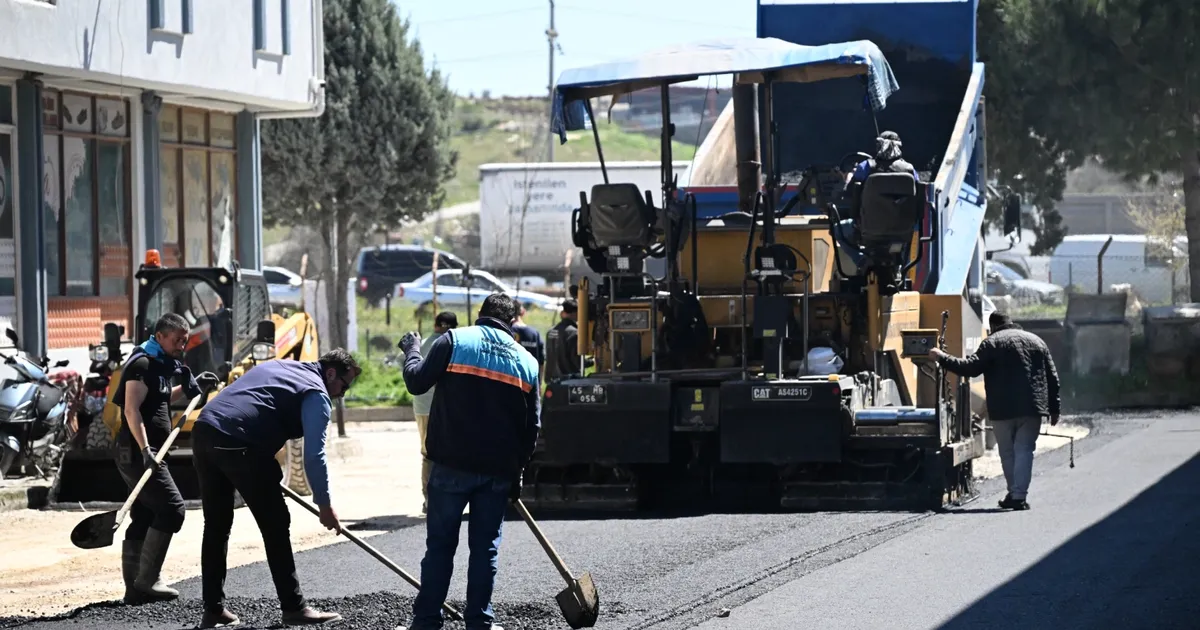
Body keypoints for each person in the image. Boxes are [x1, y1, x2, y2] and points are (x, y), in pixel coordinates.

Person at [396, 293, 541, 630]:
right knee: (485, 551)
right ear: (512, 321)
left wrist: (412, 350)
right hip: (496, 474)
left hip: (450, 466)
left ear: (480, 314)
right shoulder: (527, 362)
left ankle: (427, 621)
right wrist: (517, 472)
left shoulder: (454, 341)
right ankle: (479, 623)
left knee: (440, 547)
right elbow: (531, 427)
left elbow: (417, 382)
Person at [190, 349, 361, 628]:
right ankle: (294, 608)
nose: (342, 393)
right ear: (331, 373)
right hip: (238, 441)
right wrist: (324, 504)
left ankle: (213, 610)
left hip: (204, 431)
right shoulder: (316, 392)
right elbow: (314, 456)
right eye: (344, 385)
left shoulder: (282, 367)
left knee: (217, 525)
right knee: (276, 523)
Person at [113, 313, 221, 605]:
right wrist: (146, 450)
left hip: (150, 451)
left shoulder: (160, 366)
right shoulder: (141, 364)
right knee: (173, 509)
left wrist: (192, 386)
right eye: (177, 340)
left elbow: (159, 398)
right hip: (138, 452)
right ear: (160, 336)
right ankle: (148, 579)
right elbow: (131, 410)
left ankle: (135, 590)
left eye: (185, 341)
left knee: (145, 514)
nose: (182, 346)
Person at [929, 312, 1061, 511]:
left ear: (992, 327)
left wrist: (942, 358)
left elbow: (970, 368)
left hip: (1002, 409)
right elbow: (1053, 378)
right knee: (1025, 449)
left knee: (1007, 452)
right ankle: (1018, 496)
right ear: (1012, 324)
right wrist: (1054, 409)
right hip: (1032, 408)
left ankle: (1014, 493)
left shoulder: (991, 342)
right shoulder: (1037, 341)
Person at [835, 131, 920, 267]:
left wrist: (849, 177)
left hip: (867, 228)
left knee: (836, 230)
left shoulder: (865, 167)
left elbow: (849, 193)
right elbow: (918, 197)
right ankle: (901, 268)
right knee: (907, 241)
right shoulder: (910, 170)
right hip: (903, 229)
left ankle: (861, 261)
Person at [413, 311, 459, 515]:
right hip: (444, 406)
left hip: (423, 406)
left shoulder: (423, 344)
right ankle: (437, 499)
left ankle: (430, 500)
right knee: (441, 454)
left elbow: (405, 363)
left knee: (428, 453)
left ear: (435, 325)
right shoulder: (453, 344)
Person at [544, 298, 590, 381]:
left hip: (553, 380)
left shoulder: (551, 332)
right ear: (575, 313)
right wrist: (591, 361)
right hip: (570, 380)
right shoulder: (574, 333)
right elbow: (577, 361)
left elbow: (549, 358)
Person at [511, 304, 545, 371]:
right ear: (523, 312)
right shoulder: (535, 333)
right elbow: (541, 361)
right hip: (530, 376)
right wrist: (539, 380)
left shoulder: (507, 331)